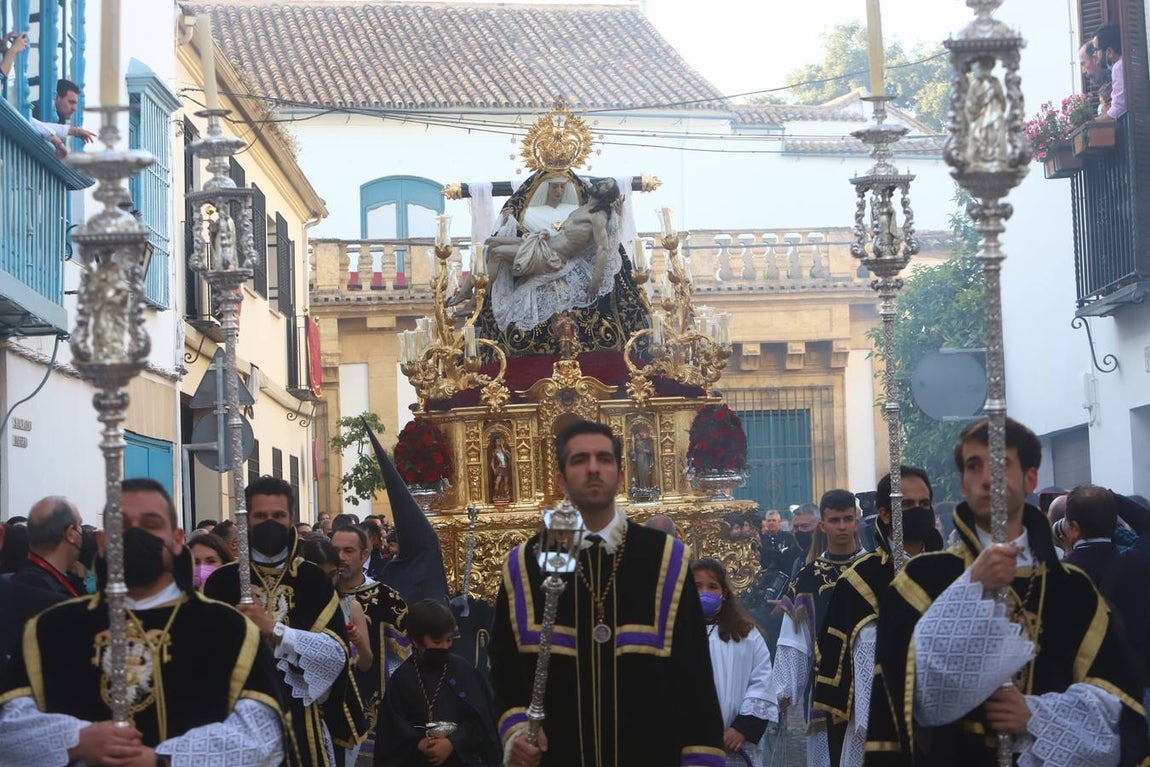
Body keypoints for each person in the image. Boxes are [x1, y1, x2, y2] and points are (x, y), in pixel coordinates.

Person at [863, 418, 1149, 766]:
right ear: (963, 483)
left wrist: (1036, 715)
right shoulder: (922, 580)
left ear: (1030, 478)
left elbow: (1116, 715)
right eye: (974, 466)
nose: (987, 478)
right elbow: (911, 704)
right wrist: (969, 590)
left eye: (1001, 465)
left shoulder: (1072, 588)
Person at [0, 478, 290, 766]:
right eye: (122, 525)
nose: (135, 535)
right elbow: (9, 726)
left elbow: (262, 735)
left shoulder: (228, 629)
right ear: (102, 541)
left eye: (151, 525)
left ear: (177, 540)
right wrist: (75, 740)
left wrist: (163, 759)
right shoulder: (52, 627)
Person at [490, 419, 724, 767]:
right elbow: (505, 669)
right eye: (580, 460)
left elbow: (694, 677)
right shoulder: (527, 562)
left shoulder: (666, 558)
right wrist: (515, 731)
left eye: (604, 458)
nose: (594, 468)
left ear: (621, 473)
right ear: (560, 478)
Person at [204, 475, 365, 767]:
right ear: (246, 520)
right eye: (260, 516)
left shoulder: (312, 578)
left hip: (298, 713)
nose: (269, 523)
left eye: (278, 516)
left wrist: (275, 629)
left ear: (292, 518)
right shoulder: (222, 581)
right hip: (234, 716)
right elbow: (202, 655)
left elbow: (335, 653)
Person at [812, 468, 943, 767]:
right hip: (876, 727)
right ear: (885, 514)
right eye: (907, 506)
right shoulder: (860, 579)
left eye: (924, 504)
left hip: (942, 723)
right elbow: (861, 660)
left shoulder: (951, 571)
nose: (919, 511)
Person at [773, 489, 863, 767]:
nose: (842, 527)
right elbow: (793, 639)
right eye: (835, 520)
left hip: (870, 684)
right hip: (826, 688)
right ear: (823, 525)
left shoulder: (874, 569)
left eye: (848, 519)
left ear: (857, 521)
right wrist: (783, 691)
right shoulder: (808, 577)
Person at [465, 178, 622, 333]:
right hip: (543, 244)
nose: (600, 184)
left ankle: (476, 300)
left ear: (606, 195)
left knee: (496, 254)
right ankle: (466, 290)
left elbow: (604, 248)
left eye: (605, 186)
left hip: (551, 257)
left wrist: (596, 280)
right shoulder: (582, 209)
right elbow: (583, 180)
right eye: (602, 182)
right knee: (490, 242)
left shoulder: (598, 216)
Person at [374, 599, 501, 767]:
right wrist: (418, 742)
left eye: (448, 640)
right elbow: (391, 727)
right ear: (416, 640)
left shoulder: (463, 671)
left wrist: (452, 743)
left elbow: (481, 719)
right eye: (436, 641)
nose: (444, 646)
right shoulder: (403, 677)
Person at [332, 524, 410, 762]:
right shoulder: (316, 595)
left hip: (371, 706)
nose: (340, 558)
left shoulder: (387, 599)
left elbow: (401, 661)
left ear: (364, 554)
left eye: (348, 551)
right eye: (335, 551)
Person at [692, 558, 776, 767]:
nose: (705, 593)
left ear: (724, 593)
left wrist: (742, 728)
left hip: (733, 743)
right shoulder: (672, 634)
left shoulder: (746, 635)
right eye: (697, 587)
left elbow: (762, 681)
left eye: (712, 587)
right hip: (687, 742)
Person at [11, 495, 85, 599]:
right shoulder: (54, 597)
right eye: (80, 524)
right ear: (71, 534)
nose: (82, 530)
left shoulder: (18, 582)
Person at [28, 79, 96, 157]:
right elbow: (38, 126)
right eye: (71, 102)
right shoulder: (36, 110)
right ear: (57, 98)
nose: (74, 108)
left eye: (75, 103)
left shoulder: (60, 117)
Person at [1095, 24, 1126, 119]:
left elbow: (1118, 109)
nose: (1095, 54)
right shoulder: (1127, 61)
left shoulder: (1118, 67)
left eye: (1096, 50)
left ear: (1109, 52)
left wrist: (1091, 125)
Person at [489, 435, 512, 502]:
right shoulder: (494, 451)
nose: (498, 442)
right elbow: (492, 462)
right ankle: (496, 495)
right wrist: (494, 469)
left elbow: (510, 456)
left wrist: (504, 449)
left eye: (499, 441)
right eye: (497, 441)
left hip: (505, 468)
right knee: (497, 482)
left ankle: (505, 495)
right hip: (500, 468)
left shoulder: (504, 450)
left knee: (506, 483)